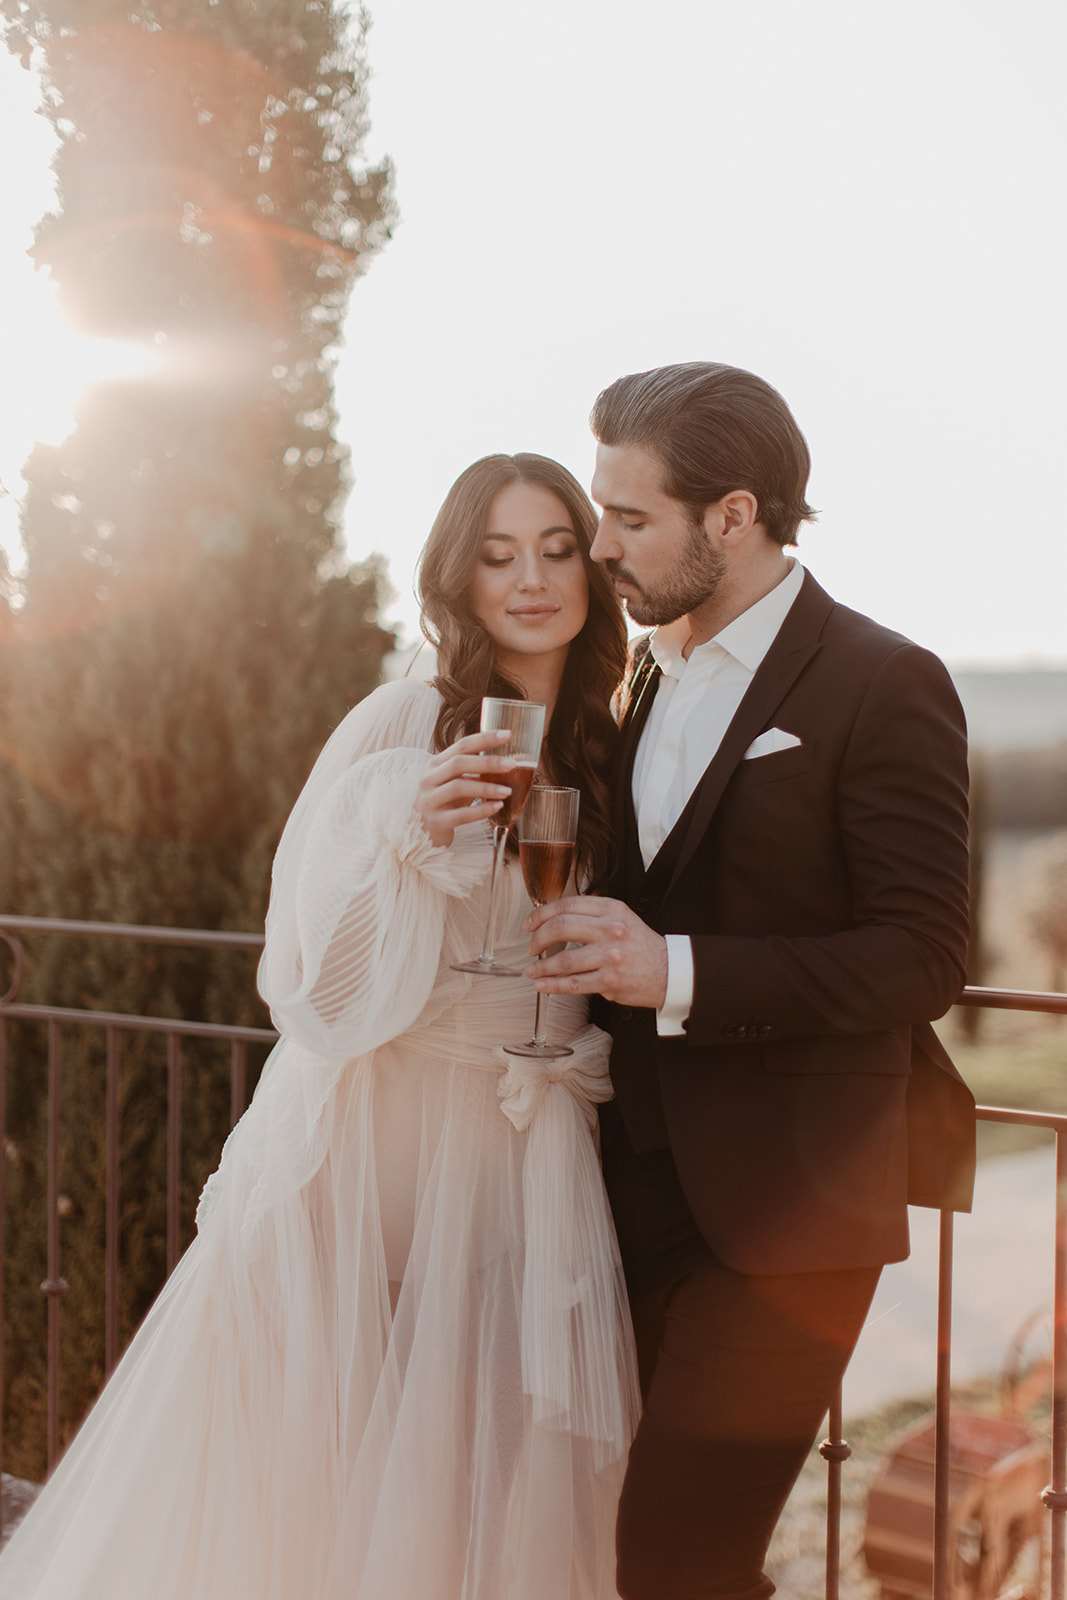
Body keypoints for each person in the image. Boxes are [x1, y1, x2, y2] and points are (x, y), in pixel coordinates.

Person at [0, 453, 638, 1600]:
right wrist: (403, 827)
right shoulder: (407, 719)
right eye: (496, 556)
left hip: (523, 1143)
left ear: (589, 563)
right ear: (460, 576)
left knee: (471, 1466)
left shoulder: (610, 733)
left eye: (554, 548)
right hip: (378, 1136)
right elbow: (310, 978)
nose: (530, 579)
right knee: (325, 1447)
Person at [527, 363, 975, 1600]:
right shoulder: (633, 674)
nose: (599, 547)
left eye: (630, 519)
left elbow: (921, 953)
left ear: (731, 515)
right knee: (624, 1541)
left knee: (676, 1558)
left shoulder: (882, 681)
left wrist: (666, 968)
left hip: (789, 1211)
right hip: (617, 1186)